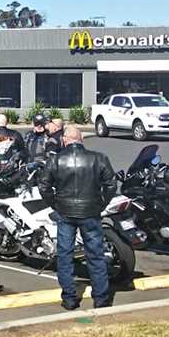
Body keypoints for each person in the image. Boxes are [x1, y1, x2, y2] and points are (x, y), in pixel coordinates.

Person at [37, 126, 115, 310]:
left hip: (65, 212)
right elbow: (111, 185)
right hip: (90, 211)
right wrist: (101, 203)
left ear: (65, 140)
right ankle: (101, 298)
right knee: (95, 255)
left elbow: (43, 186)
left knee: (65, 256)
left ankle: (70, 298)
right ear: (81, 139)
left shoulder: (56, 159)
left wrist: (55, 204)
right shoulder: (98, 158)